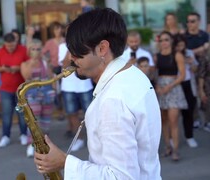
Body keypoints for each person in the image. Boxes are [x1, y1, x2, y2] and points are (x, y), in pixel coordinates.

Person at [34, 8, 161, 179]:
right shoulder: (132, 74)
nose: (71, 58)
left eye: (76, 50)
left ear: (102, 48)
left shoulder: (113, 100)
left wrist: (65, 163)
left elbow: (121, 177)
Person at [0, 33, 29, 148]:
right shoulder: (0, 51)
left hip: (21, 89)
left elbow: (29, 65)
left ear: (16, 42)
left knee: (22, 114)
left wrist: (19, 68)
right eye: (8, 46)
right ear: (4, 44)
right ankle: (5, 136)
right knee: (7, 114)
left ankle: (23, 134)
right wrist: (3, 68)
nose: (10, 48)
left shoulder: (23, 50)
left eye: (12, 46)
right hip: (6, 89)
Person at [20, 39, 55, 157]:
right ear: (29, 51)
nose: (35, 51)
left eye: (38, 49)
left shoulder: (45, 63)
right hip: (32, 93)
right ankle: (32, 145)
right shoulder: (25, 64)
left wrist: (45, 61)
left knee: (46, 121)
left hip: (46, 92)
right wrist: (33, 62)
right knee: (34, 120)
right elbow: (26, 76)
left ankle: (45, 144)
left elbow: (51, 76)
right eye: (33, 49)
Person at [155, 31, 187, 161]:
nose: (164, 42)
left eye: (166, 39)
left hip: (173, 88)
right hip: (161, 89)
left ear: (171, 41)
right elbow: (155, 74)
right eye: (161, 40)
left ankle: (175, 150)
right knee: (164, 121)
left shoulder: (177, 54)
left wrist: (169, 86)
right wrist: (157, 86)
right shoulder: (156, 56)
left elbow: (183, 75)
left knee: (174, 121)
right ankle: (167, 147)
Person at [58, 42, 93, 151]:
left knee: (91, 114)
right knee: (72, 113)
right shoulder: (62, 47)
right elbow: (64, 65)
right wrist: (70, 49)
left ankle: (94, 138)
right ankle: (79, 139)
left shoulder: (86, 45)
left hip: (85, 85)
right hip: (68, 86)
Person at [174, 34, 199, 147]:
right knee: (174, 113)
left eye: (182, 45)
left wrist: (191, 62)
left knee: (188, 112)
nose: (180, 47)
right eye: (178, 45)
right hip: (175, 84)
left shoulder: (189, 53)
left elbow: (195, 69)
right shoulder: (172, 53)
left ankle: (189, 136)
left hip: (188, 84)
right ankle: (173, 138)